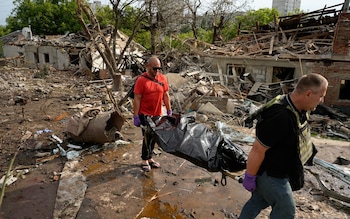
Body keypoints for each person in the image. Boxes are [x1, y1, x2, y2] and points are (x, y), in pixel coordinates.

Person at [239, 73, 328, 219]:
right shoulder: (279, 116)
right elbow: (257, 149)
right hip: (272, 176)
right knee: (286, 212)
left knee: (257, 202)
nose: (322, 100)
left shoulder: (297, 109)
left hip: (279, 170)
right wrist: (249, 176)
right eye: (321, 96)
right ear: (308, 94)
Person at [133, 56, 172, 172]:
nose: (157, 71)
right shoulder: (141, 80)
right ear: (147, 66)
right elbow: (137, 99)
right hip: (145, 114)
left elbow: (165, 95)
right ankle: (144, 160)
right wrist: (136, 115)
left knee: (154, 137)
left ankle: (149, 158)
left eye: (159, 69)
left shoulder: (162, 78)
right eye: (154, 69)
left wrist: (169, 110)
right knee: (147, 136)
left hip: (157, 113)